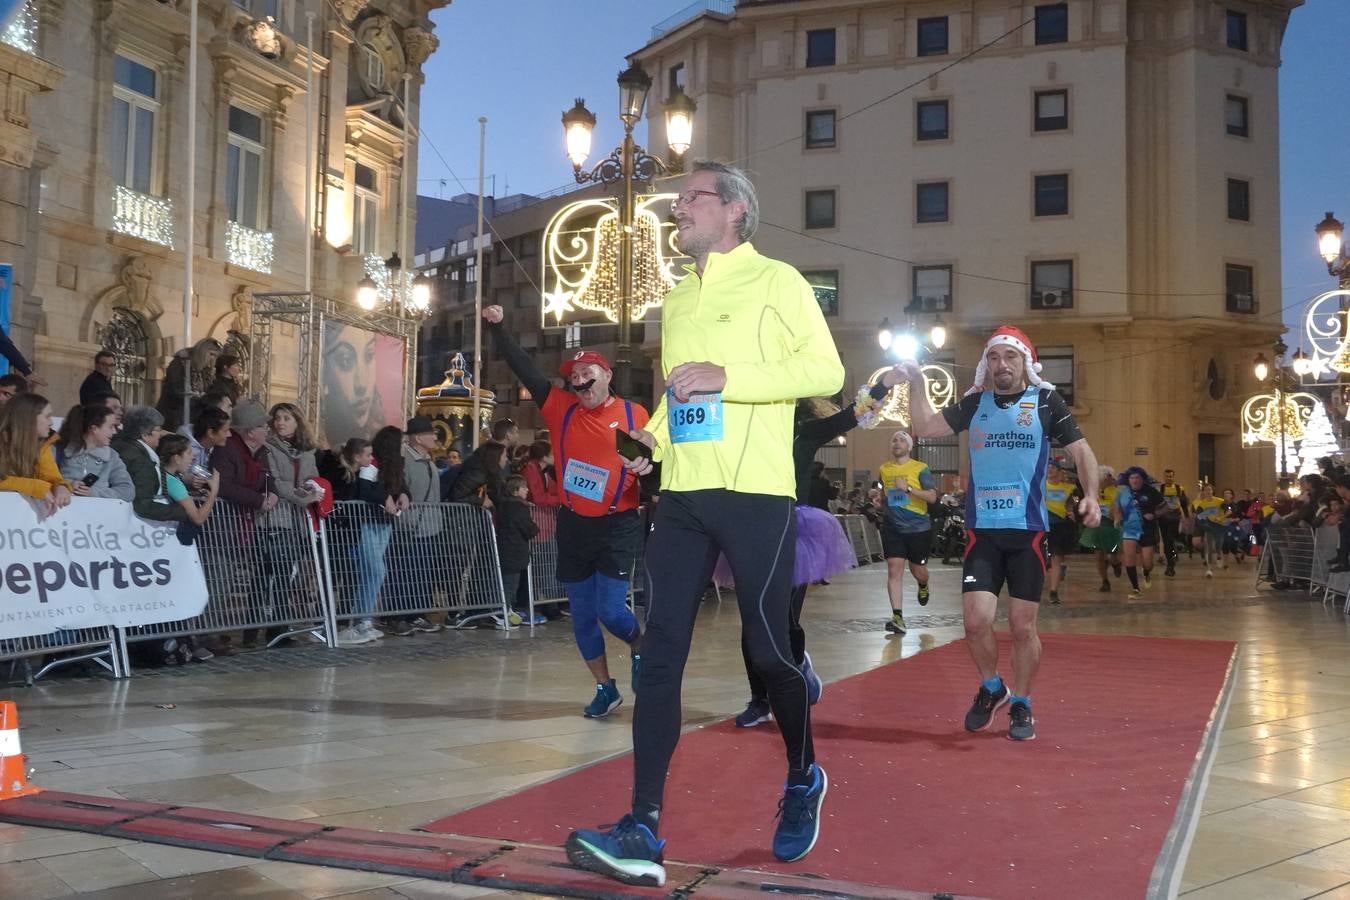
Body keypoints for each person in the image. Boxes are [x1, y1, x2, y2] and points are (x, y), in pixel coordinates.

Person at [566, 161, 844, 886]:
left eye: (691, 197)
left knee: (770, 649)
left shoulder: (778, 280)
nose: (676, 207)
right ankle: (643, 826)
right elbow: (682, 391)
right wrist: (652, 437)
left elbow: (825, 371)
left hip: (755, 493)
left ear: (734, 211)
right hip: (683, 497)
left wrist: (732, 376)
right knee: (658, 658)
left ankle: (803, 777)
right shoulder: (678, 297)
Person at [904, 324, 1099, 743]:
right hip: (983, 532)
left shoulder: (1046, 401)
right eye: (994, 358)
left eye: (1010, 357)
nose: (1001, 365)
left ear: (1026, 362)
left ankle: (1023, 702)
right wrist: (916, 380)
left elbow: (1081, 451)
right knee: (975, 623)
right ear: (985, 364)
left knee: (1023, 627)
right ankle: (993, 688)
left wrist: (1093, 496)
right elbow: (924, 426)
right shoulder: (976, 404)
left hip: (1027, 532)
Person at [484, 306, 648, 702]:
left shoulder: (630, 413)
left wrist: (646, 467)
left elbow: (641, 463)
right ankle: (604, 687)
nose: (577, 379)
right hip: (574, 525)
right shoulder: (561, 409)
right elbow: (525, 368)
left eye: (586, 372)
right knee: (583, 616)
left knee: (611, 610)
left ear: (607, 374)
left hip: (617, 523)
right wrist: (500, 327)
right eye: (572, 377)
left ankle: (641, 646)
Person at [726, 378, 900, 729]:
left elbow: (851, 415)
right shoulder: (741, 434)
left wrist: (884, 385)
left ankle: (798, 670)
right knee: (752, 624)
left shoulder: (803, 433)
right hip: (751, 532)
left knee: (784, 620)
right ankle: (760, 700)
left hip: (793, 534)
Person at [320, 437, 397, 645]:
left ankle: (352, 623)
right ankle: (328, 625)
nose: (372, 459)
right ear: (356, 456)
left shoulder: (361, 472)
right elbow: (360, 495)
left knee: (353, 578)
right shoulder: (343, 475)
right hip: (340, 532)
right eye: (368, 455)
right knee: (344, 577)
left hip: (352, 533)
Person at [382, 416, 446, 636]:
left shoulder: (428, 460)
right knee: (403, 572)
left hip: (429, 526)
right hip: (410, 526)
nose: (435, 437)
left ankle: (416, 613)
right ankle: (396, 615)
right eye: (431, 433)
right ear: (418, 437)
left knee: (422, 573)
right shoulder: (404, 461)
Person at [875, 428, 938, 632]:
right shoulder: (884, 469)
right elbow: (885, 494)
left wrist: (908, 489)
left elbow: (932, 497)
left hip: (918, 528)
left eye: (901, 440)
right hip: (893, 527)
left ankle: (923, 585)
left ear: (909, 446)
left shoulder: (921, 468)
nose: (896, 443)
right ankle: (897, 617)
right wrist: (879, 500)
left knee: (918, 570)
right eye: (893, 440)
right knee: (894, 569)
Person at [0, 393, 70, 515]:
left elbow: (52, 477)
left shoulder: (41, 445)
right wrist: (36, 487)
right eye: (47, 417)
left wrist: (61, 487)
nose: (51, 423)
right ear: (29, 419)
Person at [111, 406, 179, 523]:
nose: (161, 434)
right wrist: (182, 512)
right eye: (158, 430)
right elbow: (143, 505)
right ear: (145, 434)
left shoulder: (119, 446)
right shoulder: (139, 460)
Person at [321, 322, 384, 447]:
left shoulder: (381, 433)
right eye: (346, 360)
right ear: (325, 370)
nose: (361, 384)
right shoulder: (320, 443)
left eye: (369, 355)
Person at [56, 403, 134, 501]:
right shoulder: (58, 451)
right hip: (63, 513)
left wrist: (95, 493)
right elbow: (44, 480)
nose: (114, 431)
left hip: (99, 513)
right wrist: (67, 486)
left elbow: (128, 491)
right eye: (111, 427)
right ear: (94, 429)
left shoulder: (112, 456)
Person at [1114, 467, 1166, 598]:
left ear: (1142, 479)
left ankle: (1146, 572)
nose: (1135, 480)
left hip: (1147, 528)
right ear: (1128, 480)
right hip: (1129, 528)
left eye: (1137, 478)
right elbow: (1118, 508)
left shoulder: (1151, 492)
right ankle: (1135, 588)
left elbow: (1165, 507)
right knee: (1129, 557)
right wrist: (1117, 518)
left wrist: (1154, 515)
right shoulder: (1123, 493)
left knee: (1148, 562)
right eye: (1132, 478)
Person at [496, 474, 540, 624]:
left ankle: (504, 610)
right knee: (510, 585)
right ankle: (504, 613)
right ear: (515, 490)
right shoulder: (519, 508)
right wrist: (534, 527)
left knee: (505, 582)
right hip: (514, 552)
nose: (527, 490)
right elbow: (528, 529)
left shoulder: (502, 506)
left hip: (504, 549)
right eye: (524, 487)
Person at [158, 338, 222, 431]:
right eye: (211, 354)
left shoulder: (206, 370)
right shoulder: (181, 363)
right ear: (202, 352)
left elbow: (210, 390)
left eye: (215, 356)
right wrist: (198, 398)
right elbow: (176, 390)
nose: (212, 359)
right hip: (176, 415)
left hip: (194, 415)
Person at [157, 434, 221, 527]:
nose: (193, 457)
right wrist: (214, 491)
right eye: (189, 453)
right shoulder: (173, 483)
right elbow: (198, 518)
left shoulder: (164, 475)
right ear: (177, 458)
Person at [1044, 460, 1083, 605]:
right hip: (1043, 527)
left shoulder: (1071, 489)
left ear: (1060, 471)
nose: (1050, 470)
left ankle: (1053, 591)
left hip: (1061, 528)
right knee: (1041, 560)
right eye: (1047, 467)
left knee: (1057, 558)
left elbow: (1078, 503)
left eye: (1053, 467)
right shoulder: (1040, 486)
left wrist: (1075, 513)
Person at [1079, 465, 1122, 592]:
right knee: (1099, 555)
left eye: (1103, 478)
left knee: (1112, 555)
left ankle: (1115, 563)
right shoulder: (1093, 492)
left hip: (1112, 526)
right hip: (1097, 526)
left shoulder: (1117, 493)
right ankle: (1105, 581)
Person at [1157, 468, 1190, 577]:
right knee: (1166, 541)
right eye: (1167, 476)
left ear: (1173, 477)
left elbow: (1184, 503)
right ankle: (1170, 564)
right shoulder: (1160, 489)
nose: (1169, 478)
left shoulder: (1179, 488)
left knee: (1171, 538)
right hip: (1163, 518)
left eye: (1171, 476)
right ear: (1164, 477)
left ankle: (1171, 562)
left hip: (1175, 517)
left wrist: (1187, 516)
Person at [1191, 482, 1227, 577]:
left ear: (1213, 491)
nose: (1208, 492)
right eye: (1206, 490)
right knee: (1210, 547)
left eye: (1210, 490)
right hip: (1210, 527)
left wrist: (1224, 517)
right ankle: (1209, 569)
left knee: (1218, 546)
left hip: (1219, 526)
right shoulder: (1202, 504)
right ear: (1203, 492)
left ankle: (1219, 555)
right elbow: (1198, 516)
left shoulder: (1220, 501)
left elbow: (1229, 509)